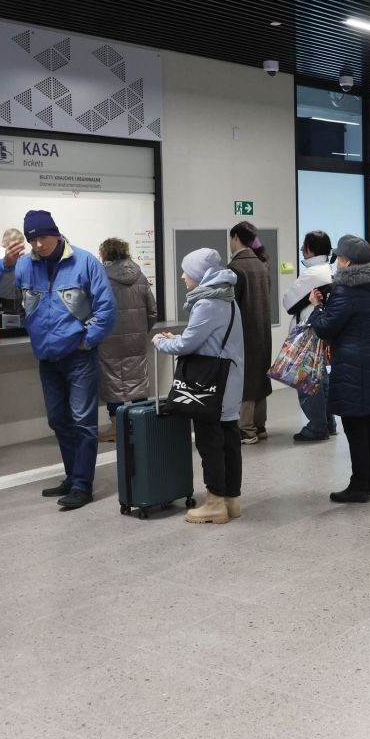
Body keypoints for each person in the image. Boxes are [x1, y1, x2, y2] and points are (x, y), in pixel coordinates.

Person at [0, 210, 116, 511]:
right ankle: (72, 476)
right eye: (32, 240)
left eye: (43, 238)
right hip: (47, 358)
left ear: (56, 234)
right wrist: (4, 265)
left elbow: (107, 309)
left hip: (79, 357)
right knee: (58, 420)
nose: (38, 245)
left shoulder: (85, 262)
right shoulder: (24, 265)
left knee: (83, 422)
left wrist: (88, 340)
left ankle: (82, 485)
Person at [152, 249, 244, 523]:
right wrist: (178, 338)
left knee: (210, 444)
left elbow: (188, 345)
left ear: (200, 274)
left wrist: (161, 342)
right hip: (228, 382)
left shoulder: (207, 303)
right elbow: (207, 338)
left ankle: (214, 503)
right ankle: (231, 501)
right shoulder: (226, 298)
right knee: (229, 442)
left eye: (186, 271)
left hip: (210, 386)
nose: (182, 276)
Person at [307, 235, 370, 502]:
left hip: (354, 367)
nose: (336, 262)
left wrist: (316, 308)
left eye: (339, 258)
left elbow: (326, 328)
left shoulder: (346, 290)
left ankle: (359, 486)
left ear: (347, 262)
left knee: (355, 427)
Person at [97, 238, 157, 442]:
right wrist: (140, 331)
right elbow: (152, 311)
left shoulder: (101, 277)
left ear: (105, 254)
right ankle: (142, 425)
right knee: (138, 380)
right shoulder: (140, 276)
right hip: (136, 341)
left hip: (108, 341)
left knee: (113, 381)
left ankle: (116, 427)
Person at [282, 230, 338, 442]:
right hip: (320, 329)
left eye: (303, 247)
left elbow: (288, 302)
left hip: (306, 332)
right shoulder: (328, 269)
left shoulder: (312, 273)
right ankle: (328, 422)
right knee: (321, 379)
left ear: (309, 249)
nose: (301, 250)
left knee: (306, 381)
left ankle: (317, 426)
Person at [228, 222, 273, 444]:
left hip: (243, 333)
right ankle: (259, 425)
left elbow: (231, 306)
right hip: (262, 331)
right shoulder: (262, 265)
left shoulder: (235, 268)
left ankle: (246, 429)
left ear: (235, 237)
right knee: (260, 377)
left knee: (244, 380)